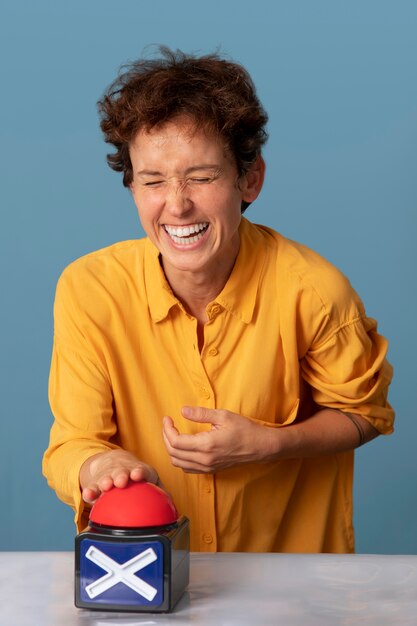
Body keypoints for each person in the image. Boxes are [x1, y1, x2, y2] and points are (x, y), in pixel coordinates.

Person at [43, 47, 394, 553]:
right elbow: (70, 444)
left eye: (202, 177)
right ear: (133, 188)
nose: (177, 203)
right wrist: (97, 465)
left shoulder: (315, 290)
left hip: (293, 585)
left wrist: (270, 444)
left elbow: (367, 414)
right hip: (142, 576)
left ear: (249, 179)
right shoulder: (88, 289)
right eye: (153, 180)